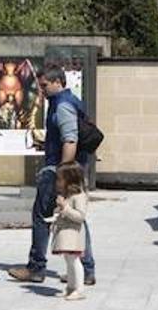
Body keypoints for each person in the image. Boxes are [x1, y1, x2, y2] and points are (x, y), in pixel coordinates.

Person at [7, 65, 97, 285]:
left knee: (41, 216)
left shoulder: (63, 105)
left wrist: (62, 175)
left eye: (45, 85)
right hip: (69, 169)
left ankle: (36, 267)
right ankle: (86, 269)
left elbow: (70, 140)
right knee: (74, 216)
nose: (42, 90)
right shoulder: (68, 101)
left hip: (59, 170)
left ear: (58, 82)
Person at [51, 163, 90, 301]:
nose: (58, 182)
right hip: (66, 232)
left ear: (70, 179)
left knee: (74, 260)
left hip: (73, 234)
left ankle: (79, 289)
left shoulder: (79, 196)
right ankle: (71, 287)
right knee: (68, 260)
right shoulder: (68, 195)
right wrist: (59, 211)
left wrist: (65, 208)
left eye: (60, 179)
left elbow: (80, 216)